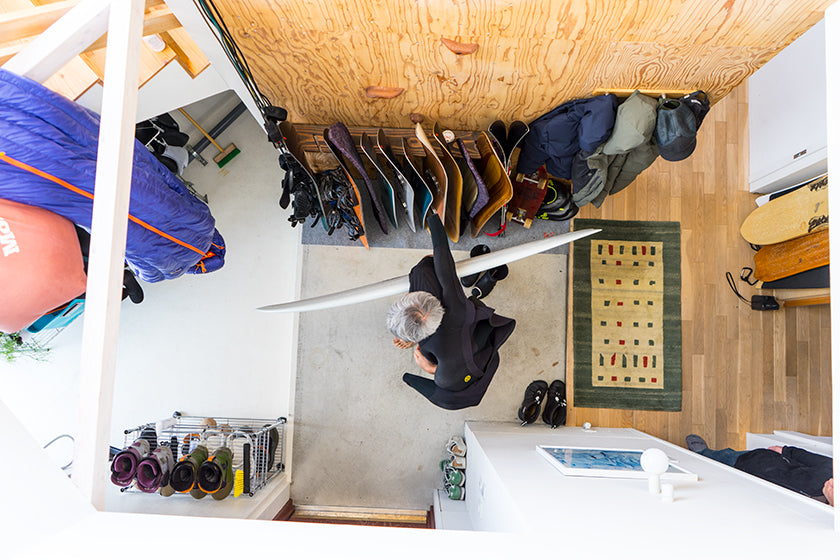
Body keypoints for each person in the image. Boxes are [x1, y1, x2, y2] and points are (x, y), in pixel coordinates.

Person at [387, 212, 516, 410]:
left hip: (464, 358)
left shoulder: (429, 350)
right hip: (474, 337)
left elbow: (445, 385)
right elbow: (443, 261)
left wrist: (430, 368)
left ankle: (413, 344)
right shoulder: (455, 305)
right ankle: (472, 276)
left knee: (444, 386)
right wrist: (433, 218)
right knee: (428, 266)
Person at [686, 434, 834, 506]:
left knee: (711, 483)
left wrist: (832, 505)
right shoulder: (831, 471)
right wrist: (786, 451)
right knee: (725, 456)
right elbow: (813, 458)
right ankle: (703, 453)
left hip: (750, 494)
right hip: (755, 462)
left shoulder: (821, 513)